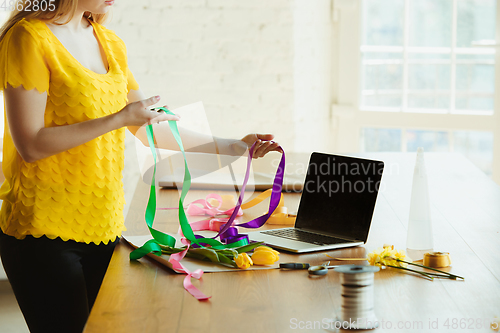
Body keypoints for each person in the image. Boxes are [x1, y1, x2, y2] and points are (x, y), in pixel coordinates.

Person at [0, 1, 282, 332]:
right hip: (43, 234)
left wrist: (236, 145)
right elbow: (31, 145)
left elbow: (150, 127)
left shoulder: (110, 43)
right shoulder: (27, 38)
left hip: (103, 228)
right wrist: (119, 118)